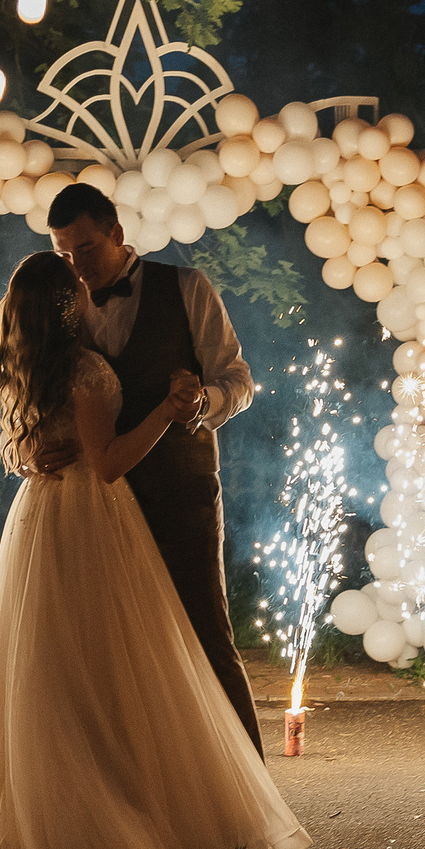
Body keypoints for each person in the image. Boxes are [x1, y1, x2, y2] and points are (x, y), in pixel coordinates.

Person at [0, 252, 309, 849]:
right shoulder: (84, 367)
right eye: (69, 271)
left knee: (58, 674)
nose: (81, 274)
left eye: (80, 255)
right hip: (95, 522)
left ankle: (63, 823)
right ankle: (155, 824)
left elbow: (52, 443)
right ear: (66, 301)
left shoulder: (35, 361)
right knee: (126, 666)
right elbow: (106, 464)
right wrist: (164, 409)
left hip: (43, 521)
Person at [40, 183, 261, 752]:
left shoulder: (187, 287)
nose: (76, 267)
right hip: (96, 507)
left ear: (116, 233)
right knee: (112, 653)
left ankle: (250, 786)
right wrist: (29, 454)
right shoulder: (59, 306)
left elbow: (238, 380)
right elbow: (37, 396)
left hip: (178, 492)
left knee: (206, 635)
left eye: (85, 249)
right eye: (63, 254)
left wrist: (202, 402)